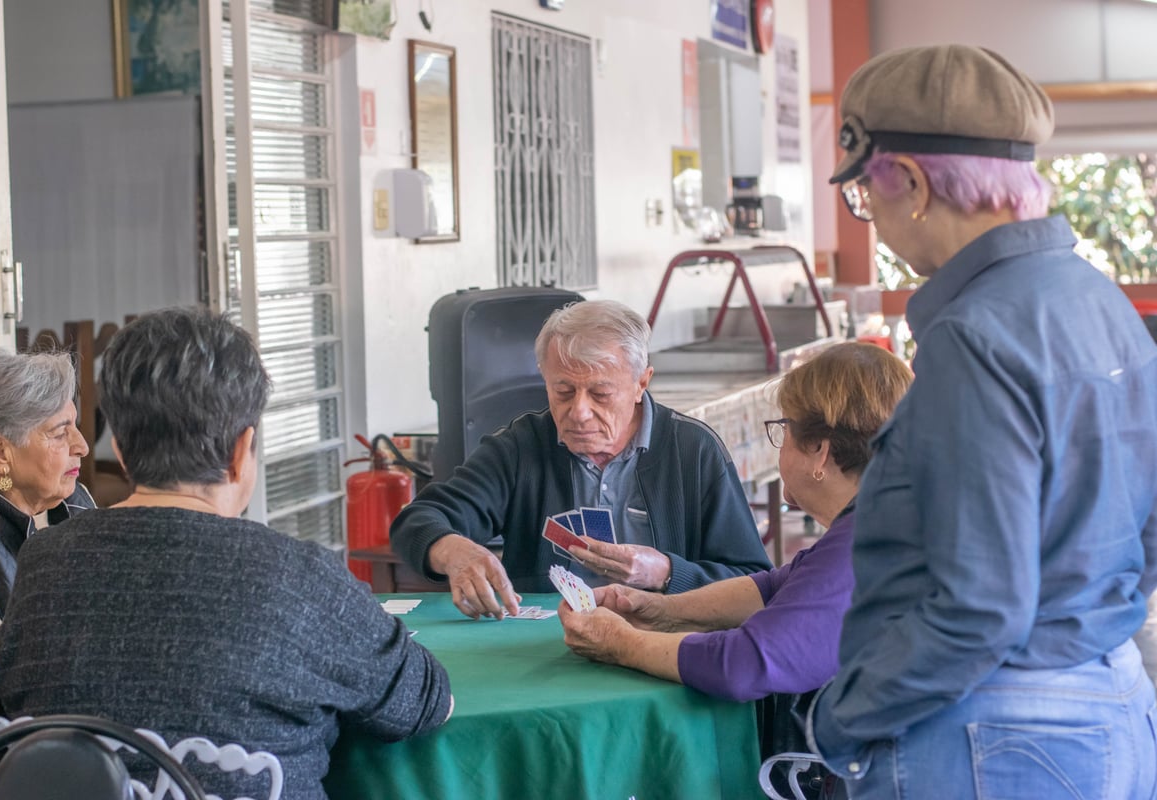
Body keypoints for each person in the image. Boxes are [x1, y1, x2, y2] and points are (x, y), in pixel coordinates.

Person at [806, 45, 1157, 799]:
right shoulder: (1099, 302)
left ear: (913, 183)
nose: (876, 219)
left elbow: (980, 609)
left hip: (991, 733)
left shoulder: (974, 334)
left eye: (866, 196)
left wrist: (841, 717)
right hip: (1115, 705)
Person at [0, 307, 453, 800]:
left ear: (122, 450)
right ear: (242, 451)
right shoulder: (297, 577)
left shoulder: (43, 563)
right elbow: (425, 701)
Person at [559, 343, 911, 797]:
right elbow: (774, 586)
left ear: (820, 451)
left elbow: (745, 665)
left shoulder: (867, 543)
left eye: (784, 431)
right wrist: (658, 610)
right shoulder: (889, 513)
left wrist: (620, 642)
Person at [391, 299, 771, 620]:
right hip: (546, 645)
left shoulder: (693, 451)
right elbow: (418, 520)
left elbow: (755, 582)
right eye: (563, 391)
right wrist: (452, 549)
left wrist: (668, 573)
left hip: (665, 645)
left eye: (601, 394)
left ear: (642, 383)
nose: (579, 411)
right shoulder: (522, 447)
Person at [0, 347, 93, 718]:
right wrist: (98, 651)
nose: (81, 446)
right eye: (59, 433)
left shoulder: (70, 497)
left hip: (61, 717)